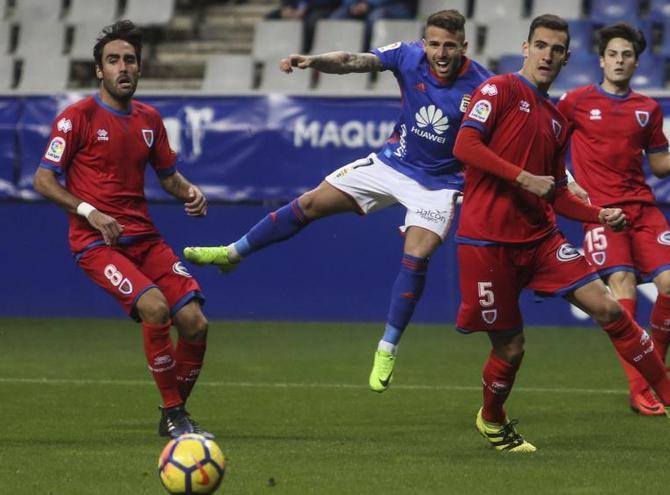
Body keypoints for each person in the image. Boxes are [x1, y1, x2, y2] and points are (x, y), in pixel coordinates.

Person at [451, 14, 670, 453]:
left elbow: (558, 190)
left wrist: (597, 214)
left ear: (566, 57)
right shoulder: (499, 89)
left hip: (541, 239)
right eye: (540, 46)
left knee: (610, 309)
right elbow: (465, 146)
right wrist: (525, 178)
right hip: (487, 241)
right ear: (526, 49)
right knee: (511, 349)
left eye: (556, 49)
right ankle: (493, 420)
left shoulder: (555, 119)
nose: (547, 55)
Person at [185, 9, 491, 393]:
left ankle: (387, 346)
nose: (441, 53)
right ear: (424, 42)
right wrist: (312, 61)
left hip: (441, 185)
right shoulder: (408, 56)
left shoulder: (485, 86)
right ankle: (232, 253)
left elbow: (517, 133)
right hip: (392, 163)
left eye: (450, 46)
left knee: (416, 256)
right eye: (434, 44)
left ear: (464, 45)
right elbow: (351, 60)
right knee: (310, 203)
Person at [33, 20, 213, 439]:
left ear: (139, 67)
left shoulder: (150, 119)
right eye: (113, 60)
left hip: (144, 239)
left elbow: (168, 176)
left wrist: (189, 191)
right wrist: (88, 211)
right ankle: (174, 414)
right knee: (155, 308)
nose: (123, 67)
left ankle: (175, 415)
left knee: (195, 323)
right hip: (98, 242)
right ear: (100, 71)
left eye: (129, 60)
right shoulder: (76, 118)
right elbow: (43, 179)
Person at [555, 23, 670, 416]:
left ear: (636, 61)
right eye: (613, 54)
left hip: (642, 209)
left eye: (627, 55)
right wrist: (569, 184)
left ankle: (654, 372)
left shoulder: (647, 108)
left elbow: (659, 164)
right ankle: (642, 391)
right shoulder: (575, 101)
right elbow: (548, 145)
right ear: (601, 60)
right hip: (602, 212)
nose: (619, 61)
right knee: (622, 283)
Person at [266, 1, 341, 53]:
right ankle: (271, 49)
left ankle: (306, 50)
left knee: (310, 21)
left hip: (322, 7)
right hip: (300, 7)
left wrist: (302, 9)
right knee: (271, 16)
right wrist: (286, 8)